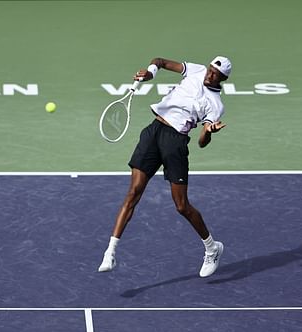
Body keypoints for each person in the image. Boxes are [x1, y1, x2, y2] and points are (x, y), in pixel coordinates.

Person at [98, 56, 232, 278]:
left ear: (223, 78)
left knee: (181, 206)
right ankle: (110, 252)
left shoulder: (216, 106)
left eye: (215, 74)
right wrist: (150, 73)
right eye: (210, 69)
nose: (209, 74)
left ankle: (212, 247)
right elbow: (159, 61)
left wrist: (208, 132)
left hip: (175, 143)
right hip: (153, 132)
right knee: (133, 192)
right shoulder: (196, 70)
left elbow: (201, 143)